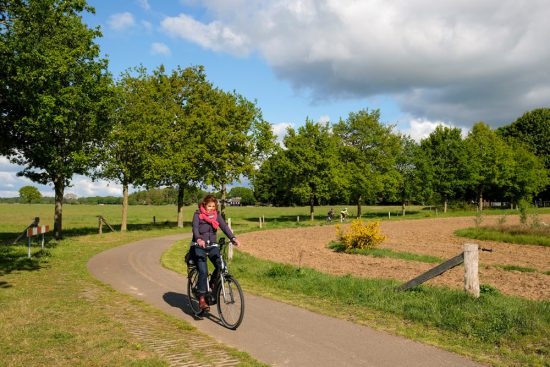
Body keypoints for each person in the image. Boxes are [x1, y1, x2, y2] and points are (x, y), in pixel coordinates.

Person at [191, 194, 241, 311]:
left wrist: (233, 238)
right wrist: (198, 239)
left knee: (221, 265)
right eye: (209, 206)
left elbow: (224, 227)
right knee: (203, 271)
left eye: (213, 206)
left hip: (212, 245)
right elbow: (195, 228)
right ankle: (202, 298)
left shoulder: (216, 215)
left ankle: (213, 282)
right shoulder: (198, 215)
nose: (212, 208)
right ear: (204, 205)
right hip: (199, 246)